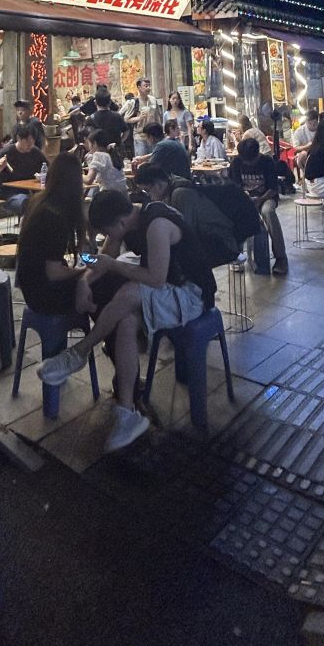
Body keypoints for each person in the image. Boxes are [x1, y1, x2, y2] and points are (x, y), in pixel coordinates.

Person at [39, 182, 216, 452]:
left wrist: (114, 266)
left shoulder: (156, 225)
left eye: (106, 231)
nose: (106, 236)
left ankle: (79, 353)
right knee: (126, 322)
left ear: (120, 223)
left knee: (129, 291)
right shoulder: (129, 214)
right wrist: (85, 280)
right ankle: (126, 412)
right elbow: (104, 257)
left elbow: (155, 279)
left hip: (192, 294)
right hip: (169, 286)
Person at [15, 155, 91, 317]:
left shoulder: (37, 202)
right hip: (45, 296)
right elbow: (54, 273)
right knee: (99, 285)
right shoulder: (55, 217)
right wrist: (81, 271)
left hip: (30, 286)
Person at [229, 138, 289, 275]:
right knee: (234, 215)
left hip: (266, 197)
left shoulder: (267, 162)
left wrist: (259, 200)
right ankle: (236, 255)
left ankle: (281, 257)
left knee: (268, 212)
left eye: (250, 161)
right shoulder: (237, 162)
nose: (248, 163)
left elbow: (273, 188)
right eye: (245, 160)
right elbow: (234, 187)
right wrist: (246, 199)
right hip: (245, 199)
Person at [0, 127, 47, 213]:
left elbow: (49, 167)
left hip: (28, 192)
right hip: (9, 194)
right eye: (27, 142)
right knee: (28, 203)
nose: (30, 146)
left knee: (47, 201)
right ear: (19, 139)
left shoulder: (34, 151)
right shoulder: (7, 152)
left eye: (32, 143)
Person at [83, 128, 128, 195]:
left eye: (89, 143)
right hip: (123, 193)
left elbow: (88, 180)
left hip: (110, 196)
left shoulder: (99, 155)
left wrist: (77, 173)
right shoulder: (112, 152)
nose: (88, 146)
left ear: (94, 143)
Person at [124, 77, 162, 159]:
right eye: (146, 86)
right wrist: (139, 118)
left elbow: (158, 116)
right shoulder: (134, 102)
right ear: (139, 87)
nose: (148, 88)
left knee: (154, 159)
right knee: (141, 160)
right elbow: (126, 119)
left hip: (153, 135)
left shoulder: (153, 100)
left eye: (149, 86)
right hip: (140, 136)